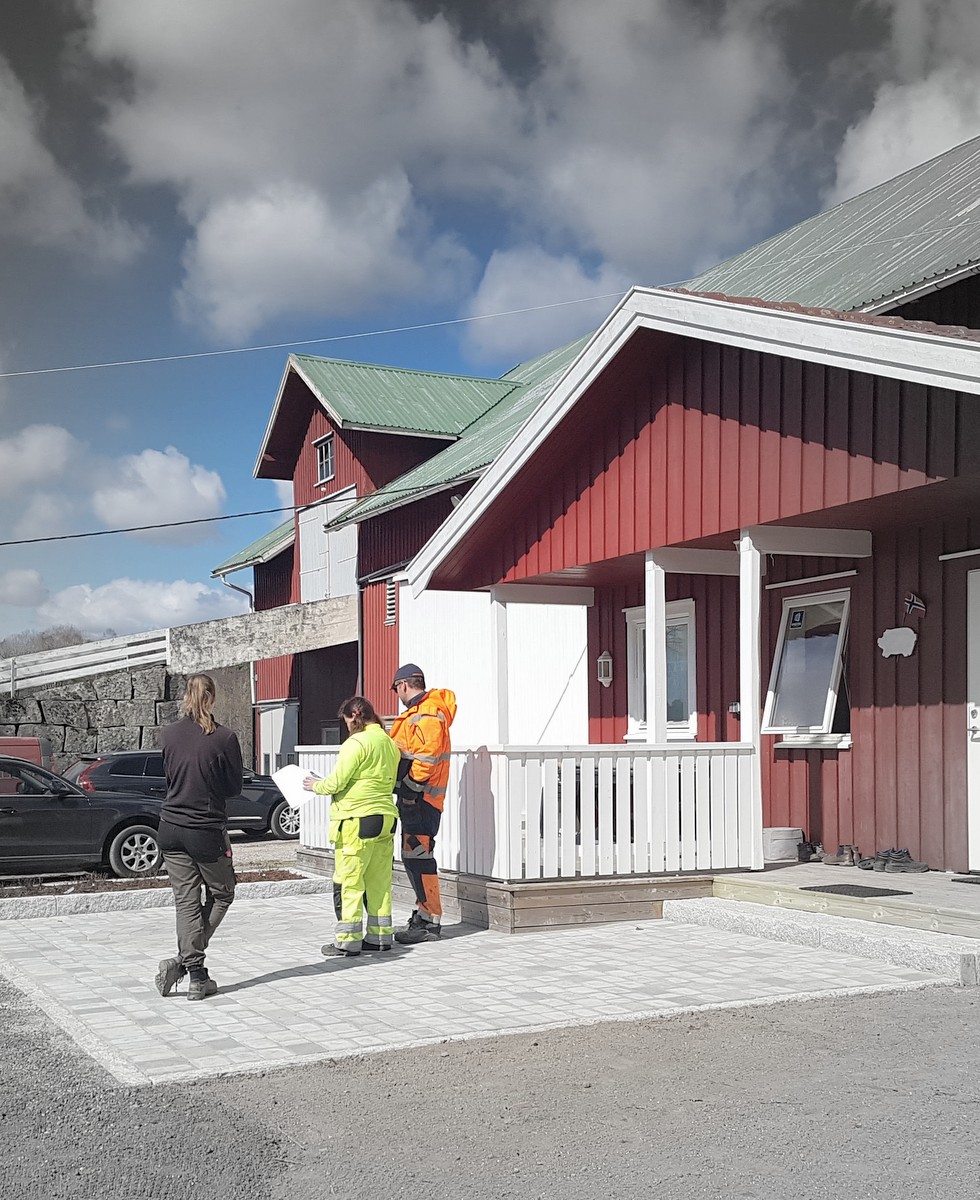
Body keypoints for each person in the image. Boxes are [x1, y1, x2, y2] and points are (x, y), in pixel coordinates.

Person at [153, 674, 243, 1001]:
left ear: (185, 697)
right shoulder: (224, 737)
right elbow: (234, 788)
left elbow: (170, 777)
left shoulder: (169, 735)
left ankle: (196, 974)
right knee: (222, 894)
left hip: (169, 827)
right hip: (205, 830)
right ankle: (186, 963)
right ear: (213, 698)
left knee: (186, 903)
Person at [303, 696, 400, 957]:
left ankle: (347, 940)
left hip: (357, 819)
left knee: (350, 881)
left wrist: (315, 785)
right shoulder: (388, 743)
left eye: (346, 721)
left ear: (353, 718)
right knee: (379, 881)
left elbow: (336, 783)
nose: (346, 726)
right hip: (386, 817)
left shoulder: (355, 743)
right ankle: (380, 937)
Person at [388, 663, 456, 945]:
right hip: (419, 798)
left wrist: (410, 790)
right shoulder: (421, 712)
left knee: (419, 857)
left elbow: (426, 758)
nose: (397, 694)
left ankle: (429, 921)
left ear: (403, 685)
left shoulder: (426, 714)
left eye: (396, 689)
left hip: (421, 799)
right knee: (415, 856)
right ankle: (424, 914)